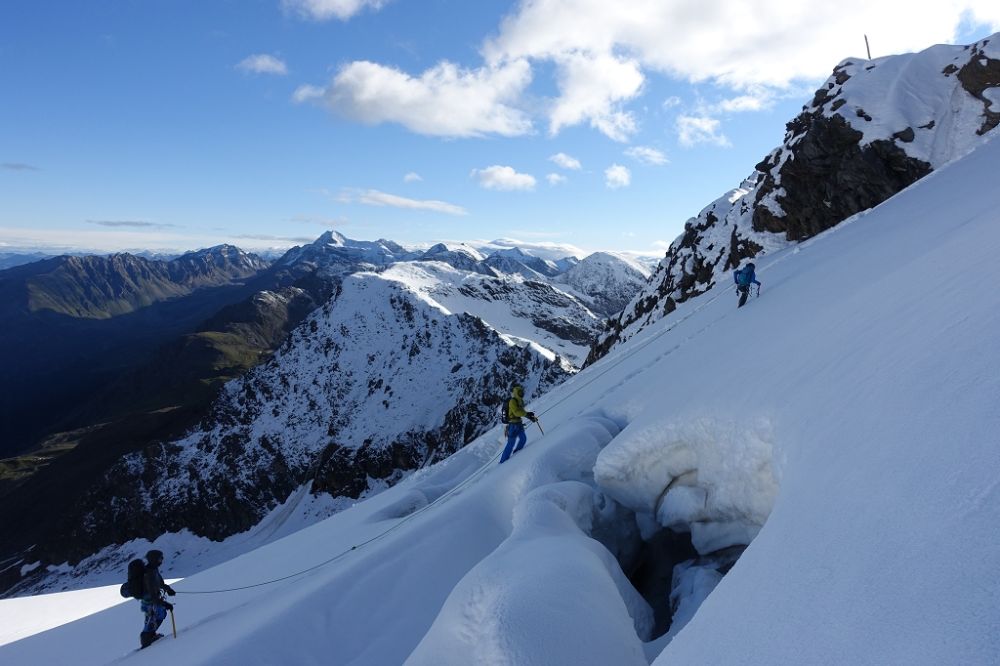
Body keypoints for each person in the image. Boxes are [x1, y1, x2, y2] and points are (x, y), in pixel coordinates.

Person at [140, 549, 176, 648]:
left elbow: (160, 583)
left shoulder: (154, 569)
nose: (162, 560)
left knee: (160, 614)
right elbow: (152, 594)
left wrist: (168, 589)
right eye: (160, 558)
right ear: (154, 559)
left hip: (153, 600)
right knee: (152, 618)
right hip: (149, 601)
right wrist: (164, 603)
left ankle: (151, 636)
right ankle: (146, 641)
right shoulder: (149, 573)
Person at [499, 384, 536, 464]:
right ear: (516, 393)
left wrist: (530, 417)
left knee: (523, 439)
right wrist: (527, 414)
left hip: (519, 423)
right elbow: (516, 412)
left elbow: (521, 412)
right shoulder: (512, 401)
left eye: (522, 392)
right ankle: (502, 462)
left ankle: (517, 454)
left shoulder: (520, 401)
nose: (521, 394)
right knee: (511, 443)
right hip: (512, 425)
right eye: (520, 393)